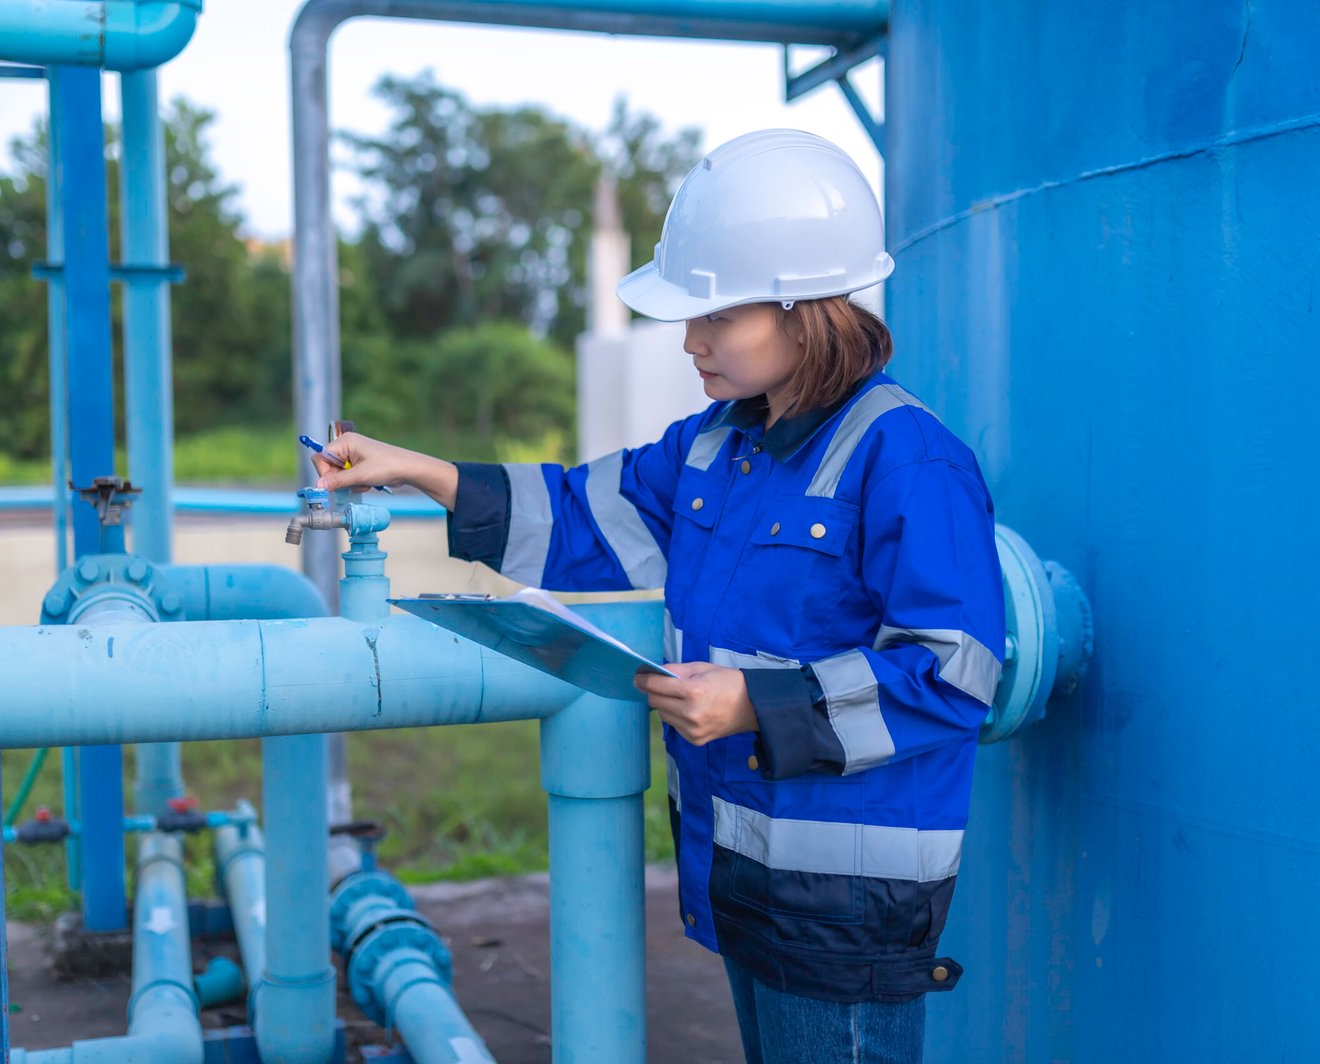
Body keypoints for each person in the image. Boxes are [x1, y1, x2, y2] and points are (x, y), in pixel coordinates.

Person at [311, 129, 1006, 1064]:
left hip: (846, 905)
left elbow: (957, 674)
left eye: (715, 317)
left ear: (804, 311)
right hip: (745, 880)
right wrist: (420, 472)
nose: (691, 342)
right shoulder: (717, 446)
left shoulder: (908, 459)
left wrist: (755, 705)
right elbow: (579, 519)